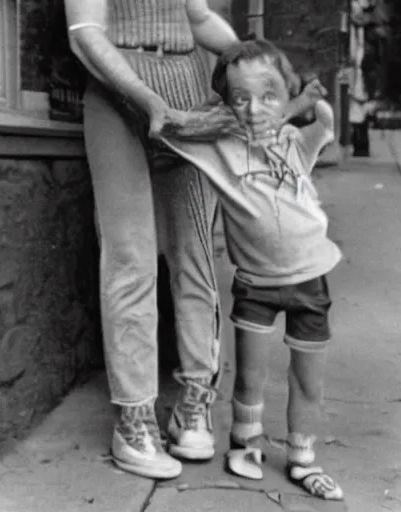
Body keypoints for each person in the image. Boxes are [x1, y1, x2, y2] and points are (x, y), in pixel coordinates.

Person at [63, 0, 247, 479]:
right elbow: (84, 31)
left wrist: (252, 61)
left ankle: (194, 403)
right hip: (116, 95)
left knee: (196, 256)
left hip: (187, 93)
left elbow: (198, 16)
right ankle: (134, 420)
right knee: (130, 256)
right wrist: (146, 99)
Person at [159, 39, 344, 500]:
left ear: (286, 95)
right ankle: (244, 444)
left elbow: (325, 121)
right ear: (228, 103)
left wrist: (297, 106)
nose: (254, 108)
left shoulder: (295, 143)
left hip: (310, 281)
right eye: (240, 98)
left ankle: (302, 458)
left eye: (268, 95)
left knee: (307, 378)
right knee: (251, 376)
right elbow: (163, 130)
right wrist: (217, 112)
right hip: (256, 286)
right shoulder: (219, 148)